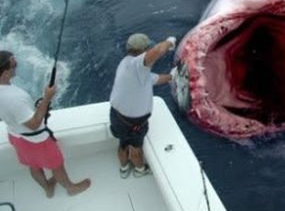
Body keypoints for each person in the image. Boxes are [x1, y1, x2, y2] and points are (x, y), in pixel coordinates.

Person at [0, 50, 91, 197]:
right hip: (34, 140)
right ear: (4, 73)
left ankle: (48, 189)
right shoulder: (13, 98)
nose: (17, 66)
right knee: (56, 165)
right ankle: (70, 188)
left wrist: (37, 109)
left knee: (33, 165)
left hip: (16, 135)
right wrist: (47, 98)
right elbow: (34, 124)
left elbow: (19, 115)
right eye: (14, 64)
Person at [109, 33, 176, 178]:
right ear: (143, 50)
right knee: (136, 148)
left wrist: (172, 77)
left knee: (122, 144)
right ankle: (139, 170)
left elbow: (154, 79)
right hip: (133, 123)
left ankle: (124, 169)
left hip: (116, 116)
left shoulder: (126, 64)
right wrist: (170, 42)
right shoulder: (137, 65)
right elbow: (157, 51)